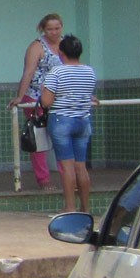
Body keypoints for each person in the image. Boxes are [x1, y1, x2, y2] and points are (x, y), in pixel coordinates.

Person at [40, 34, 99, 215]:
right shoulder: (89, 71)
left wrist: (44, 91)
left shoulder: (57, 72)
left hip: (61, 121)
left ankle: (70, 207)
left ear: (61, 52)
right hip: (83, 121)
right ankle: (85, 208)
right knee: (81, 167)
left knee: (67, 167)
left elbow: (46, 102)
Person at [10, 12, 65, 191]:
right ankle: (44, 180)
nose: (54, 32)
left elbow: (74, 69)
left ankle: (68, 178)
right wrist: (20, 96)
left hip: (60, 99)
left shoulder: (66, 44)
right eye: (50, 29)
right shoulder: (37, 46)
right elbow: (29, 72)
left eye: (57, 28)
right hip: (36, 97)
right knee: (39, 140)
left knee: (62, 138)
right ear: (43, 29)